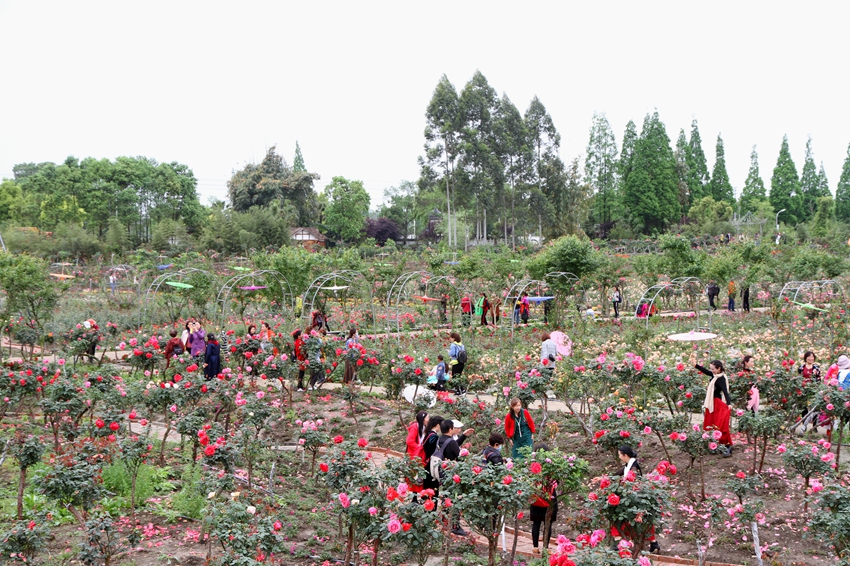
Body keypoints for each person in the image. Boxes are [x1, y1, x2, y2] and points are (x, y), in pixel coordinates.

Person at [612, 445, 660, 554]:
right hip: (636, 496)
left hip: (636, 497)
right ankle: (653, 543)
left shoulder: (633, 467)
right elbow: (616, 475)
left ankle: (619, 542)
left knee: (629, 519)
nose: (619, 456)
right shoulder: (629, 465)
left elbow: (633, 480)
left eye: (620, 454)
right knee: (644, 520)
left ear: (625, 455)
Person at [437, 419, 474, 536]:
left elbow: (452, 445)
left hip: (443, 472)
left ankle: (444, 520)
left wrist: (463, 436)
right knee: (455, 498)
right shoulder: (451, 442)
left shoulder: (440, 439)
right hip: (452, 473)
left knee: (446, 497)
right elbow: (458, 455)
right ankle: (455, 525)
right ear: (450, 429)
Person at [696, 360, 733, 457]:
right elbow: (707, 372)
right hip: (711, 403)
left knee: (720, 423)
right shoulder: (715, 375)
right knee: (711, 423)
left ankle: (727, 444)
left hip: (716, 403)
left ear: (719, 369)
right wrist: (696, 365)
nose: (711, 371)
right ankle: (713, 444)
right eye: (711, 369)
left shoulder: (721, 378)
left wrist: (728, 403)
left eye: (713, 369)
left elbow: (725, 391)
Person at [530, 442, 557, 554]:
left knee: (536, 523)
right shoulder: (551, 465)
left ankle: (535, 547)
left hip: (536, 497)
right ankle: (545, 547)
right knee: (548, 523)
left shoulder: (532, 465)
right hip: (549, 497)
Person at [405, 411, 429, 492]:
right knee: (414, 474)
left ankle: (419, 494)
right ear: (423, 419)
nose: (428, 419)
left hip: (419, 454)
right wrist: (419, 447)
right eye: (427, 418)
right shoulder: (415, 427)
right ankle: (414, 496)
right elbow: (409, 441)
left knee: (420, 474)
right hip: (414, 454)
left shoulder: (424, 427)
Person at [421, 415, 445, 493]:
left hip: (426, 463)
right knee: (432, 488)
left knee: (427, 488)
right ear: (438, 425)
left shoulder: (428, 434)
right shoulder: (434, 437)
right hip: (430, 465)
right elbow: (432, 452)